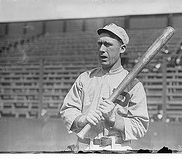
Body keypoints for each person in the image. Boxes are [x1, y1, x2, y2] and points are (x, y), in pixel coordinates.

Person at [60, 23, 149, 151]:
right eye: (99, 43)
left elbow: (140, 126)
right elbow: (67, 110)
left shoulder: (134, 85)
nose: (101, 49)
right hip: (85, 147)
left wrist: (113, 120)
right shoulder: (85, 78)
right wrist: (82, 120)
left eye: (107, 44)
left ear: (122, 48)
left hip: (118, 148)